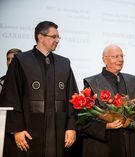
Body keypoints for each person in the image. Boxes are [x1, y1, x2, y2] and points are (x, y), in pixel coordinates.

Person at [0, 21, 78, 157]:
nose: (57, 40)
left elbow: (73, 97)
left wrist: (71, 127)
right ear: (40, 37)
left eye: (58, 37)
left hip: (58, 131)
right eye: (54, 37)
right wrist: (17, 129)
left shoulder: (64, 63)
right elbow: (11, 97)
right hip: (29, 132)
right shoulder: (21, 61)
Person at [76, 44, 135, 157]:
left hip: (129, 142)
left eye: (122, 56)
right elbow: (83, 118)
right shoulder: (92, 83)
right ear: (104, 60)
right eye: (115, 56)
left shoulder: (133, 80)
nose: (120, 60)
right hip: (103, 144)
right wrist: (105, 126)